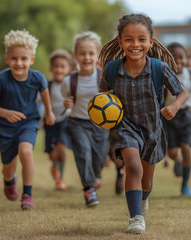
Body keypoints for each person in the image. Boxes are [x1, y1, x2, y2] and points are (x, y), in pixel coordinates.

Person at [98, 14, 188, 234]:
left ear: (151, 42)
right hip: (124, 128)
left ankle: (143, 197)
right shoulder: (112, 69)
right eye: (128, 39)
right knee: (133, 166)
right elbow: (102, 93)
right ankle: (135, 218)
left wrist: (174, 107)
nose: (135, 44)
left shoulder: (159, 68)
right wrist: (103, 109)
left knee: (146, 182)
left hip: (152, 130)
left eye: (141, 39)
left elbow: (182, 93)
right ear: (120, 42)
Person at [0, 30, 55, 210]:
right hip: (6, 127)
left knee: (26, 152)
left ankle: (27, 195)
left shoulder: (37, 77)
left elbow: (45, 93)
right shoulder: (1, 79)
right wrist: (5, 113)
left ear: (31, 60)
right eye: (14, 59)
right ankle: (9, 181)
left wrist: (49, 113)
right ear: (6, 58)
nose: (19, 63)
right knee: (7, 168)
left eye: (24, 59)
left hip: (29, 122)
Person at [61, 32, 109, 207]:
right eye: (82, 53)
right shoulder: (69, 81)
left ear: (97, 55)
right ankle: (89, 189)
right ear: (75, 56)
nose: (87, 57)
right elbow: (66, 102)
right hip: (77, 123)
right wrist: (67, 104)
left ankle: (96, 174)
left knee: (99, 158)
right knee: (83, 153)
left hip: (101, 125)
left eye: (91, 53)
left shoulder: (105, 78)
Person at [164, 42, 191, 196]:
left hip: (186, 114)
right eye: (174, 58)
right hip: (168, 116)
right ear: (167, 59)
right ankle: (178, 160)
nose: (178, 61)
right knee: (172, 152)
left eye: (181, 58)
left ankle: (185, 185)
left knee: (186, 148)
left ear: (186, 58)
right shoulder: (164, 74)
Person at [43, 49, 73, 190]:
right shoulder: (47, 85)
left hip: (65, 119)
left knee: (62, 146)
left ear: (69, 69)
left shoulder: (71, 84)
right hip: (50, 120)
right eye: (56, 66)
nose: (59, 69)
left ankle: (60, 179)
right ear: (51, 68)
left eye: (63, 66)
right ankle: (54, 166)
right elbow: (40, 100)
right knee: (52, 153)